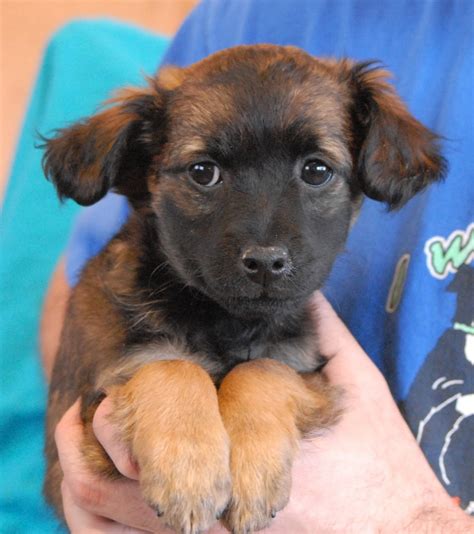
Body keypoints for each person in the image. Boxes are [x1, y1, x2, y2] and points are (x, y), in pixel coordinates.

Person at [41, 0, 474, 531]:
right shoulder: (228, 17)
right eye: (204, 171)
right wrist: (157, 391)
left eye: (316, 171)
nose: (265, 245)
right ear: (142, 174)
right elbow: (75, 450)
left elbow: (311, 386)